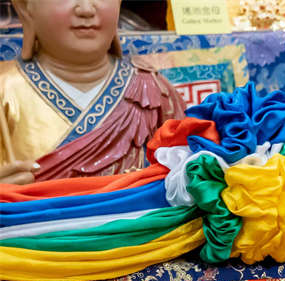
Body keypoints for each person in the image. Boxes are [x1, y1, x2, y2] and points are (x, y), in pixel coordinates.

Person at [0, 0, 185, 185]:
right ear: (25, 8)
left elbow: (187, 178)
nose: (86, 10)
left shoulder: (152, 91)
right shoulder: (5, 89)